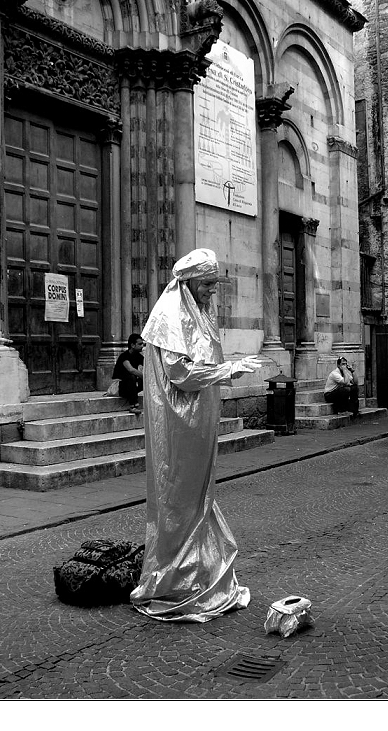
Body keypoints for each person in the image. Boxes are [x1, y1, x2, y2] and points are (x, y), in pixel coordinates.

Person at [130, 248, 263, 622]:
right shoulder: (170, 314)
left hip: (199, 423)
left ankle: (200, 573)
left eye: (213, 284)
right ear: (187, 283)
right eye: (206, 284)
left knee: (198, 496)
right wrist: (229, 371)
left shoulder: (199, 312)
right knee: (178, 496)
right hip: (178, 427)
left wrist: (225, 369)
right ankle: (175, 580)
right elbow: (181, 375)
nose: (211, 291)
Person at [112, 334, 145, 412]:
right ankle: (133, 405)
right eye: (140, 344)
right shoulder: (124, 356)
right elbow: (131, 370)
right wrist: (145, 377)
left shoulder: (139, 357)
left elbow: (145, 368)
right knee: (131, 377)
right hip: (119, 386)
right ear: (133, 345)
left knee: (140, 379)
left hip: (131, 385)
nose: (142, 346)